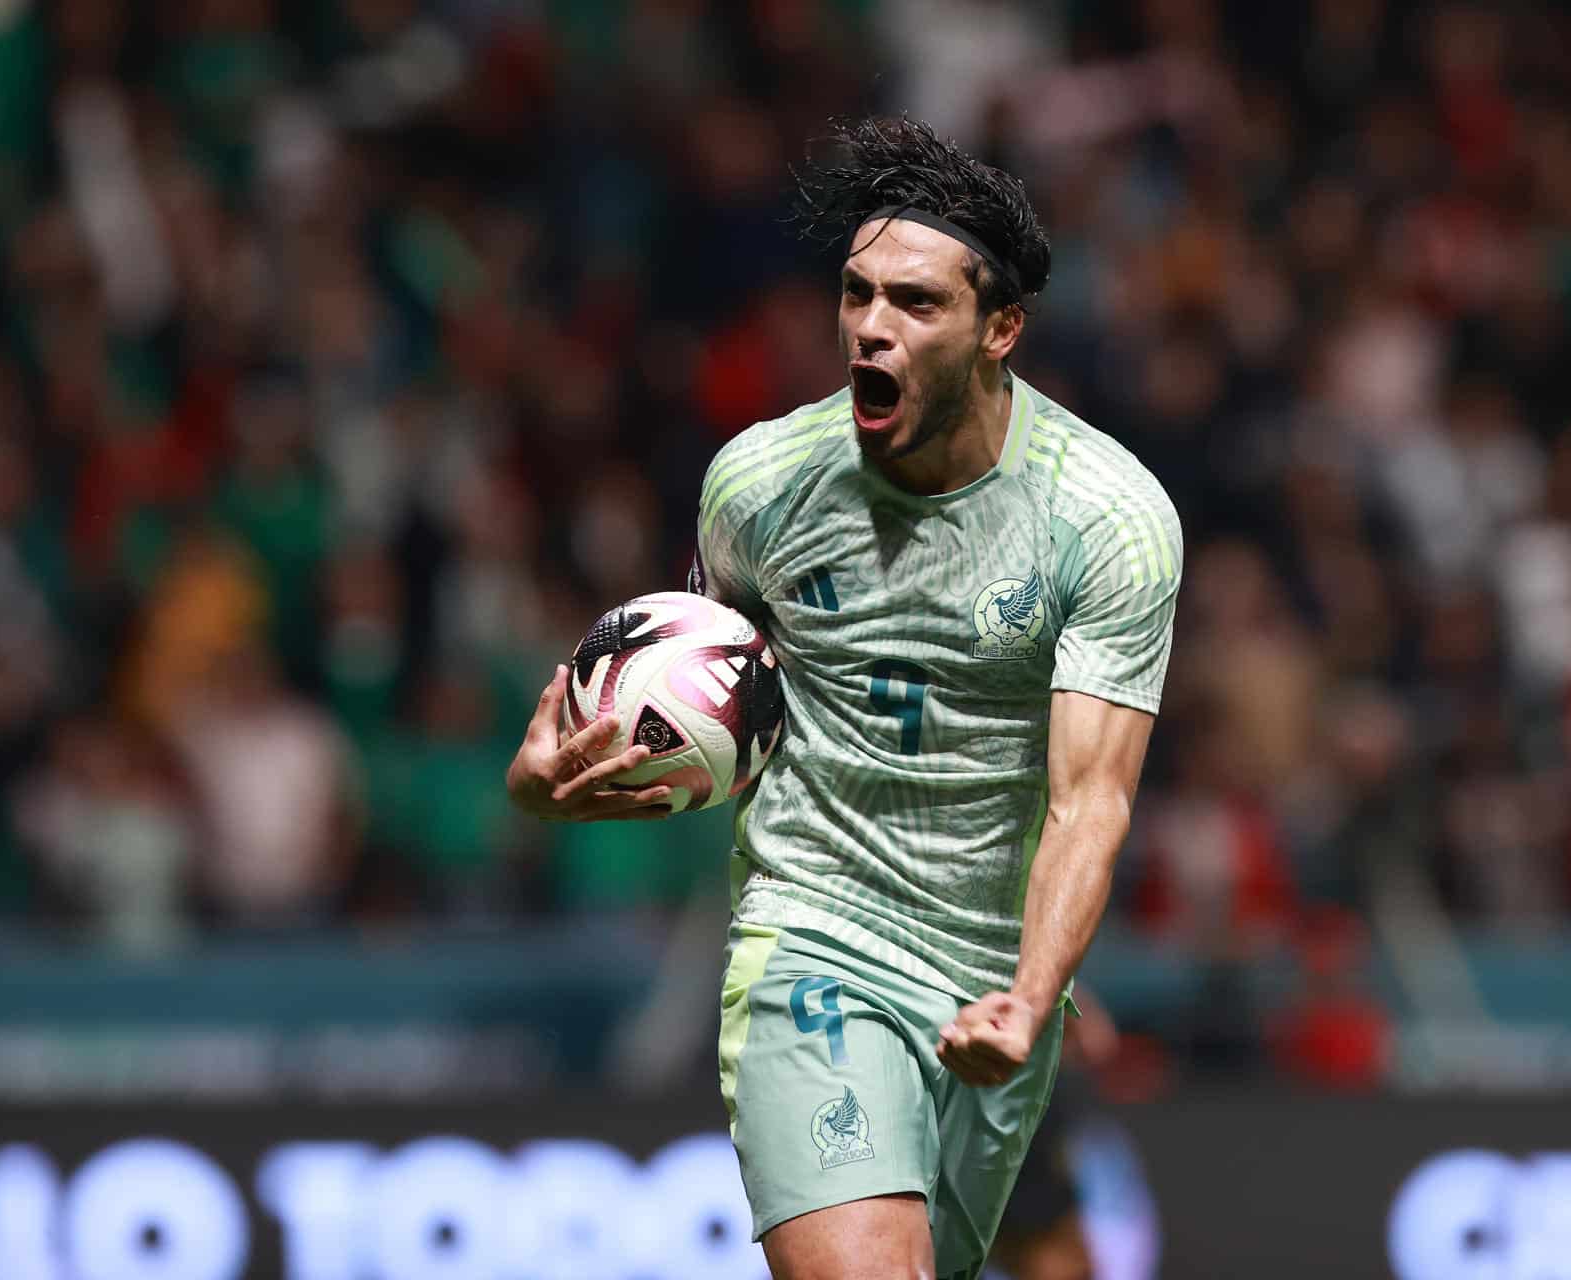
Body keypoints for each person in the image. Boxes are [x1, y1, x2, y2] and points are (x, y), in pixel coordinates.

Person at [507, 116, 1183, 1280]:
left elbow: (1090, 802)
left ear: (1000, 329)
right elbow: (684, 681)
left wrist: (1032, 995)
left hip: (992, 988)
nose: (872, 326)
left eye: (917, 302)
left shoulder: (1106, 520)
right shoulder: (761, 486)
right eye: (858, 293)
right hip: (815, 936)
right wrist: (551, 775)